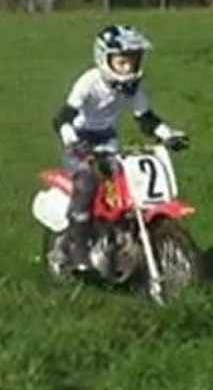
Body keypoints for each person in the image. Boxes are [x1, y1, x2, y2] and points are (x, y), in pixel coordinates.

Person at [51, 24, 189, 268]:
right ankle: (77, 244)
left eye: (133, 61)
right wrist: (72, 141)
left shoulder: (132, 87)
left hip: (107, 139)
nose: (128, 68)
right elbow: (62, 118)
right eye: (122, 62)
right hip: (80, 139)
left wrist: (167, 134)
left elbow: (145, 118)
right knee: (86, 180)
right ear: (104, 59)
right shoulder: (89, 82)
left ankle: (122, 237)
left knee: (126, 182)